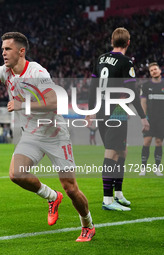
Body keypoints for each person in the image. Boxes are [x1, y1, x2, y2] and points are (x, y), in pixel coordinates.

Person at [0, 32, 95, 242]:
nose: (3, 53)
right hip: (31, 135)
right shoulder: (6, 72)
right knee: (16, 174)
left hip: (55, 134)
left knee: (70, 188)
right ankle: (51, 196)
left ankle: (88, 225)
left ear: (21, 51)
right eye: (2, 49)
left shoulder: (37, 71)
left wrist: (22, 104)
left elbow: (54, 102)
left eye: (7, 49)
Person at [86, 27, 150, 211]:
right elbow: (133, 92)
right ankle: (107, 200)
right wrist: (143, 117)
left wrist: (90, 111)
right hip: (117, 109)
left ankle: (118, 193)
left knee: (122, 151)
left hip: (101, 109)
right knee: (112, 151)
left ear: (112, 41)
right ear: (128, 43)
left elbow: (92, 86)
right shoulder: (126, 62)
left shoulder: (100, 59)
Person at [140, 62, 164, 177]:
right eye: (151, 70)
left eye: (155, 69)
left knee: (159, 142)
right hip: (150, 119)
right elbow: (143, 102)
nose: (153, 71)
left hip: (161, 120)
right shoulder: (145, 86)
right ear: (150, 73)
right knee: (147, 142)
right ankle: (143, 168)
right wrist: (143, 118)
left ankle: (157, 168)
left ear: (160, 70)